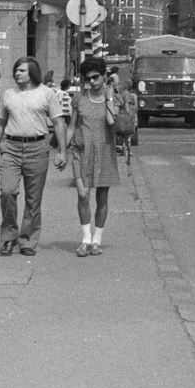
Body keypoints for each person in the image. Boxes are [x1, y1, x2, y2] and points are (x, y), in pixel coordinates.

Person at [0, 56, 66, 257]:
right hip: (11, 148)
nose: (17, 73)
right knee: (7, 191)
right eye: (16, 70)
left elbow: (59, 123)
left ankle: (28, 240)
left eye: (22, 70)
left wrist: (62, 151)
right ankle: (8, 237)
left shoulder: (47, 94)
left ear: (32, 72)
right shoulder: (8, 94)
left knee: (33, 199)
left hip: (37, 148)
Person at [67, 57, 121, 257]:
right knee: (83, 195)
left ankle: (97, 240)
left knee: (102, 197)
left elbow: (110, 120)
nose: (92, 81)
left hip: (104, 152)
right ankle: (85, 239)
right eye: (88, 78)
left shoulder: (112, 98)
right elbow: (72, 126)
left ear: (104, 76)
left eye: (96, 77)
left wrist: (109, 97)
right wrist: (62, 150)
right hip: (81, 152)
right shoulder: (79, 99)